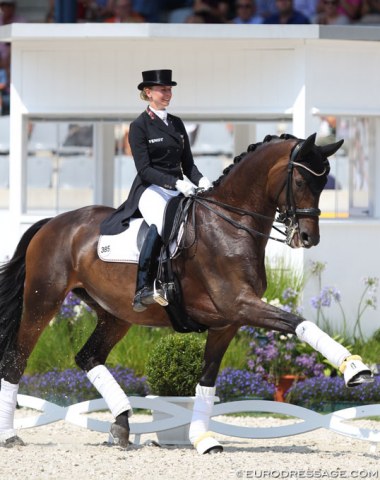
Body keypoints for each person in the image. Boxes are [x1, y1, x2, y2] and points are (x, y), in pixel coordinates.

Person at [100, 69, 212, 312]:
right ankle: (144, 288)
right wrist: (176, 183)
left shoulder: (177, 123)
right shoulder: (139, 126)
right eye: (163, 90)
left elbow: (188, 165)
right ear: (148, 93)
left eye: (170, 89)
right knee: (162, 225)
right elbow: (145, 169)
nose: (167, 93)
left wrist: (203, 181)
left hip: (178, 187)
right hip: (150, 189)